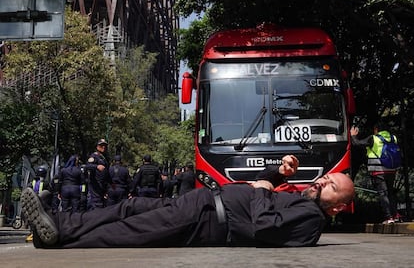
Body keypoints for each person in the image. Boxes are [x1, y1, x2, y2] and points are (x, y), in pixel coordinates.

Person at [21, 155, 355, 249]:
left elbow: (265, 226)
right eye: (327, 177)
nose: (324, 180)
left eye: (332, 185)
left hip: (205, 220)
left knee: (128, 229)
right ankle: (55, 225)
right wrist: (278, 173)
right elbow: (262, 189)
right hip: (201, 203)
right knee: (128, 207)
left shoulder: (312, 221)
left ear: (337, 207)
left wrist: (266, 188)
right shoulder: (305, 201)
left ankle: (57, 237)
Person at [350, 122, 401, 224]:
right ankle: (395, 215)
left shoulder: (374, 138)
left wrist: (353, 136)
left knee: (383, 193)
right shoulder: (393, 138)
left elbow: (357, 143)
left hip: (378, 170)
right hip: (391, 169)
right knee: (390, 192)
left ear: (376, 129)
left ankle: (388, 217)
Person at [85, 139, 112, 210]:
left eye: (105, 146)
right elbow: (87, 166)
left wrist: (111, 182)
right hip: (95, 184)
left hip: (102, 185)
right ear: (97, 147)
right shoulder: (94, 156)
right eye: (101, 145)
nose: (104, 147)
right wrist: (96, 166)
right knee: (95, 204)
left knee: (101, 203)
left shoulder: (104, 158)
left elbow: (106, 172)